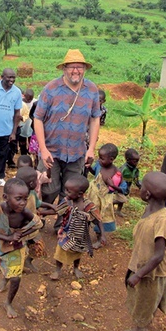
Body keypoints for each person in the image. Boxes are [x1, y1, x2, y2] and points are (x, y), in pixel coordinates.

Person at [33, 49, 101, 213]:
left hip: (77, 152)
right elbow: (38, 118)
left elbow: (94, 118)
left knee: (70, 193)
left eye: (80, 67)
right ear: (64, 68)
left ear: (84, 69)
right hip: (52, 152)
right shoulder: (51, 88)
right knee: (49, 188)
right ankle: (39, 220)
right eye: (72, 67)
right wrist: (43, 149)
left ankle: (62, 226)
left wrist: (91, 148)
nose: (76, 71)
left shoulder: (92, 89)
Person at [0, 178, 43, 318]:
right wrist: (8, 238)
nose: (23, 203)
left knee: (16, 277)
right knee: (4, 267)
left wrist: (21, 235)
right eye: (18, 199)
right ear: (5, 197)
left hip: (16, 248)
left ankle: (8, 302)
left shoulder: (24, 211)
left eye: (25, 199)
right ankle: (5, 278)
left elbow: (38, 224)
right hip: (0, 246)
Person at [122, 171, 166, 331]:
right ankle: (144, 320)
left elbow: (159, 255)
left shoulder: (162, 220)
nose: (141, 188)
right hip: (143, 263)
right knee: (144, 296)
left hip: (153, 271)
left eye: (142, 186)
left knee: (146, 299)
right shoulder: (150, 210)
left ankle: (141, 328)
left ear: (147, 193)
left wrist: (138, 274)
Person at [51, 174, 106, 281]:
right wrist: (41, 212)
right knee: (60, 251)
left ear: (80, 193)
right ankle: (57, 270)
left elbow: (98, 219)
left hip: (81, 235)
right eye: (65, 190)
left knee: (78, 252)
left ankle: (76, 268)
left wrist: (102, 234)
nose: (66, 193)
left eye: (69, 191)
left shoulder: (89, 206)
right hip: (66, 232)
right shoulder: (67, 201)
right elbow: (58, 210)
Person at [15, 166, 57, 272]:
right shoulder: (17, 199)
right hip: (21, 230)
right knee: (19, 250)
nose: (37, 182)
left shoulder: (32, 193)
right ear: (30, 184)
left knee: (38, 247)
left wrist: (51, 206)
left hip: (33, 227)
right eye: (35, 180)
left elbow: (38, 203)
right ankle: (16, 268)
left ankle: (28, 261)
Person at [87, 143, 127, 240]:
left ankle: (100, 237)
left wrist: (112, 185)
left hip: (105, 200)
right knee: (88, 214)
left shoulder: (116, 172)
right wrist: (89, 167)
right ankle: (85, 233)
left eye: (102, 158)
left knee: (102, 218)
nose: (99, 160)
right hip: (94, 196)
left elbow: (124, 189)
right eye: (99, 157)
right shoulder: (99, 165)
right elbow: (95, 173)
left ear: (112, 159)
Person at [116, 148, 142, 217]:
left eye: (137, 161)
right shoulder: (124, 169)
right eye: (134, 161)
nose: (136, 163)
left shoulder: (135, 170)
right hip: (120, 186)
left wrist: (140, 186)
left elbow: (136, 179)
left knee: (123, 197)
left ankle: (118, 210)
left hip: (127, 186)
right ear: (128, 160)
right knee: (121, 199)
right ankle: (110, 204)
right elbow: (117, 176)